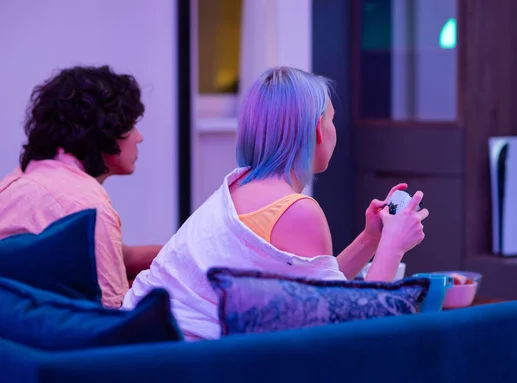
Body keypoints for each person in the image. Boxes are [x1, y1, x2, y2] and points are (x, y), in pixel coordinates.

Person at [123, 67, 429, 340]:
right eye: (332, 120)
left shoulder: (239, 183)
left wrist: (371, 239)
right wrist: (393, 244)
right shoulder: (297, 210)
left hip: (143, 343)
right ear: (317, 131)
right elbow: (354, 332)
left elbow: (321, 295)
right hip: (179, 363)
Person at [0, 65, 161, 308]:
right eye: (130, 126)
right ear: (105, 131)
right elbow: (112, 311)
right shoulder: (86, 204)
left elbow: (119, 255)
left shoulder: (27, 175)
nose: (139, 137)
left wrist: (186, 251)